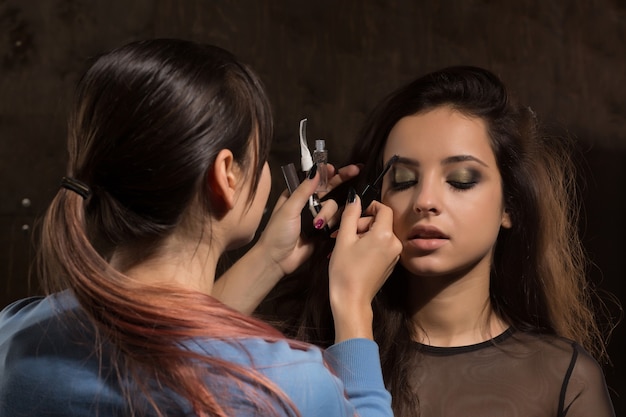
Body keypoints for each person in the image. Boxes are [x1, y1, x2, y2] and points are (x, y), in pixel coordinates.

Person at [0, 39, 402, 417]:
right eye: (260, 155)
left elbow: (171, 341)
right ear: (226, 175)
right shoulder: (287, 385)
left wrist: (270, 259)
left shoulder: (14, 333)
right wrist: (352, 302)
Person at [261, 66, 616, 416]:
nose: (425, 200)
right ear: (375, 200)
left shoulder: (565, 379)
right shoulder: (302, 359)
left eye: (460, 179)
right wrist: (270, 261)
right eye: (402, 179)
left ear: (509, 205)